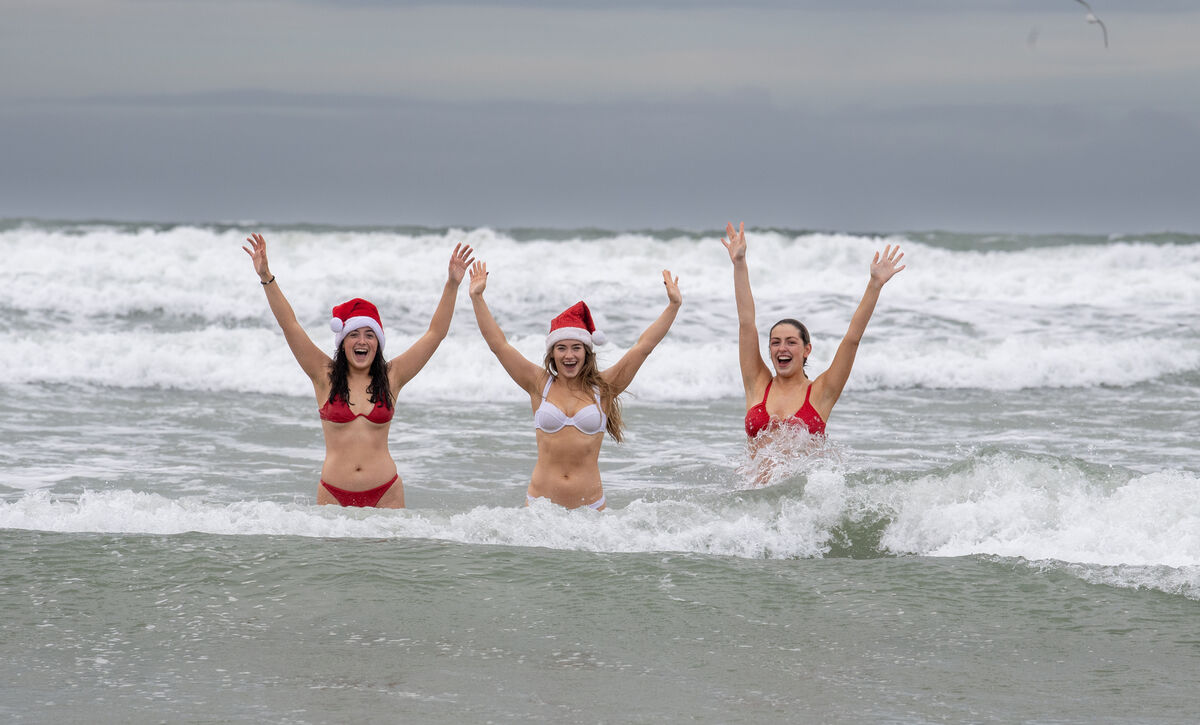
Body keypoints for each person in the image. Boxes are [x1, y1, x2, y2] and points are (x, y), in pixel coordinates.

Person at [242, 232, 474, 508]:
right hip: (333, 494)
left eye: (369, 334)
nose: (362, 341)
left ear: (378, 343)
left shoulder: (392, 376)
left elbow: (435, 334)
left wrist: (452, 284)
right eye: (354, 334)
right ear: (342, 342)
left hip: (386, 493)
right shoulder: (323, 375)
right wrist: (266, 277)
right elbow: (290, 325)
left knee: (388, 553)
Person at [467, 259, 682, 510]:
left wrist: (673, 306)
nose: (569, 355)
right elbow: (499, 346)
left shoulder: (603, 388)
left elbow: (643, 347)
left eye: (576, 348)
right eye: (561, 348)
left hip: (590, 509)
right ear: (552, 354)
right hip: (540, 508)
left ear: (586, 352)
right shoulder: (539, 384)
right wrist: (477, 298)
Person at [721, 221, 905, 459]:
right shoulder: (757, 384)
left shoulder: (821, 392)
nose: (782, 348)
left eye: (790, 342)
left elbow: (852, 339)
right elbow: (746, 323)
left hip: (802, 496)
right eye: (775, 342)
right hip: (754, 494)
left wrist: (875, 285)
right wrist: (739, 263)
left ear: (807, 349)